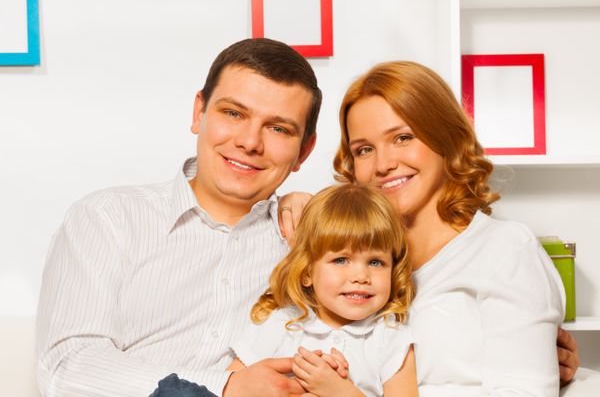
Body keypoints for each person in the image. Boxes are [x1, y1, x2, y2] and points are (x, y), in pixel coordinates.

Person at [36, 38, 321, 397]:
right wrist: (225, 387)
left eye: (278, 129)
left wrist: (326, 218)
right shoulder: (106, 220)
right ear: (199, 112)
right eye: (234, 113)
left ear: (304, 150)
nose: (250, 142)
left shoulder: (312, 242)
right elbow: (68, 367)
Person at [279, 61, 579, 396]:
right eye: (364, 150)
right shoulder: (344, 257)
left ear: (446, 137)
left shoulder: (505, 249)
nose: (383, 165)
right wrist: (288, 202)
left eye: (403, 138)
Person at [227, 184, 418, 397]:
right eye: (341, 260)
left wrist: (342, 393)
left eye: (375, 262)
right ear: (307, 271)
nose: (361, 276)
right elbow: (229, 386)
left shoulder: (390, 340)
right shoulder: (282, 324)